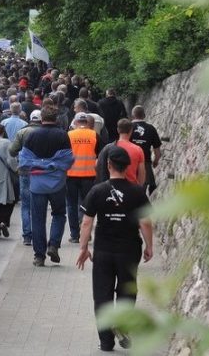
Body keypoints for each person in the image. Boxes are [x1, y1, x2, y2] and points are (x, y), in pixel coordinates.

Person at [77, 146, 154, 352]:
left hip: (103, 250)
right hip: (129, 249)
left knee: (102, 294)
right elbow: (145, 222)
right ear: (128, 166)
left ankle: (106, 341)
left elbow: (86, 222)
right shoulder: (137, 192)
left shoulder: (97, 191)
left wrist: (84, 248)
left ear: (109, 165)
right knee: (127, 290)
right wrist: (149, 246)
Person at [20, 106, 73, 266]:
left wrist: (40, 164)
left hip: (37, 183)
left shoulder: (32, 135)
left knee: (37, 218)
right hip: (57, 182)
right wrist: (52, 164)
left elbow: (24, 160)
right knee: (59, 214)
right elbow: (68, 159)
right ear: (56, 118)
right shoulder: (63, 135)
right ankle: (54, 244)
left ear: (41, 118)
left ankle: (39, 256)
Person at [66, 113, 102, 243]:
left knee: (71, 205)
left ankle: (75, 235)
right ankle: (86, 232)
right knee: (88, 205)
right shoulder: (94, 135)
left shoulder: (69, 135)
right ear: (87, 123)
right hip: (89, 175)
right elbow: (100, 156)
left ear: (75, 123)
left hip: (70, 175)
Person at [9, 109, 42, 246]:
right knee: (39, 204)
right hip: (41, 171)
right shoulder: (45, 132)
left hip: (25, 169)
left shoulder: (22, 132)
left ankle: (27, 236)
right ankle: (38, 234)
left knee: (26, 205)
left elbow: (12, 151)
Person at [95, 119, 146, 186]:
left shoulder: (108, 148)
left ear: (118, 130)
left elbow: (97, 165)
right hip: (131, 187)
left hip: (112, 187)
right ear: (131, 130)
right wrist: (138, 188)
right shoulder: (138, 149)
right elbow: (141, 174)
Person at [0, 124, 17, 238]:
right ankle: (4, 222)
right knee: (9, 200)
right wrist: (16, 169)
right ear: (2, 132)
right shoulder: (7, 142)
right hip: (4, 174)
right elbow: (11, 160)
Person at [130, 105, 163, 195]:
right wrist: (155, 161)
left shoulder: (128, 127)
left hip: (129, 164)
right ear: (144, 115)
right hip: (145, 164)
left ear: (132, 115)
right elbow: (157, 151)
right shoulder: (151, 129)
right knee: (141, 191)